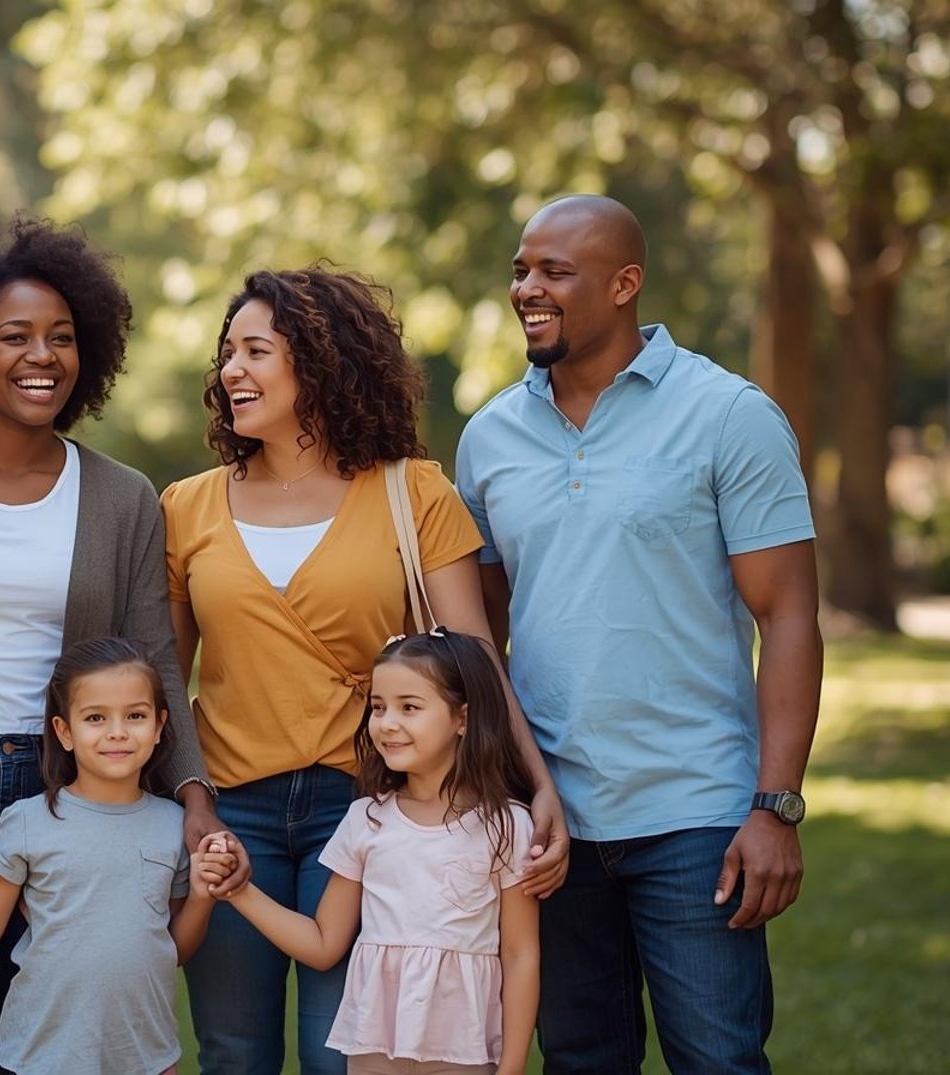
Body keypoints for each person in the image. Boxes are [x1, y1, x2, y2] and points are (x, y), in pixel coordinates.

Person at [0, 217, 239, 1073]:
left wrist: (195, 787)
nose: (44, 355)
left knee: (64, 1058)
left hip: (84, 807)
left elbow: (157, 658)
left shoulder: (124, 497)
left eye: (62, 336)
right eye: (15, 336)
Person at [163, 266, 568, 1074]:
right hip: (232, 806)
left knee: (343, 1052)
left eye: (254, 351)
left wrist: (537, 781)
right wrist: (194, 809)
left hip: (368, 806)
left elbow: (476, 657)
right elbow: (168, 684)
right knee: (234, 1051)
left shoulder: (411, 491)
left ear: (318, 361)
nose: (230, 371)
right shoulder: (186, 506)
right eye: (226, 354)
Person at [455, 194, 823, 1073]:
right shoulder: (490, 436)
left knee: (717, 1059)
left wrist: (776, 806)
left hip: (696, 811)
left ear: (626, 284)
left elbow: (789, 613)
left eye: (554, 271)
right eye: (520, 268)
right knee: (580, 1058)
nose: (526, 289)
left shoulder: (728, 414)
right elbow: (481, 629)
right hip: (550, 818)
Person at [197, 628, 541, 1075]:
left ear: (463, 718)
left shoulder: (506, 825)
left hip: (466, 1051)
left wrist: (512, 1068)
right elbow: (323, 945)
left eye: (409, 708)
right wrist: (239, 891)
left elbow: (520, 955)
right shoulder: (366, 820)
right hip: (374, 1050)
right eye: (378, 707)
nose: (387, 723)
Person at [0, 637, 225, 1074]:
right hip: (40, 1060)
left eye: (136, 716)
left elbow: (171, 950)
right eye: (95, 718)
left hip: (146, 1060)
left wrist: (202, 896)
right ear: (64, 731)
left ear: (160, 726)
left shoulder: (172, 827)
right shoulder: (29, 823)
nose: (118, 731)